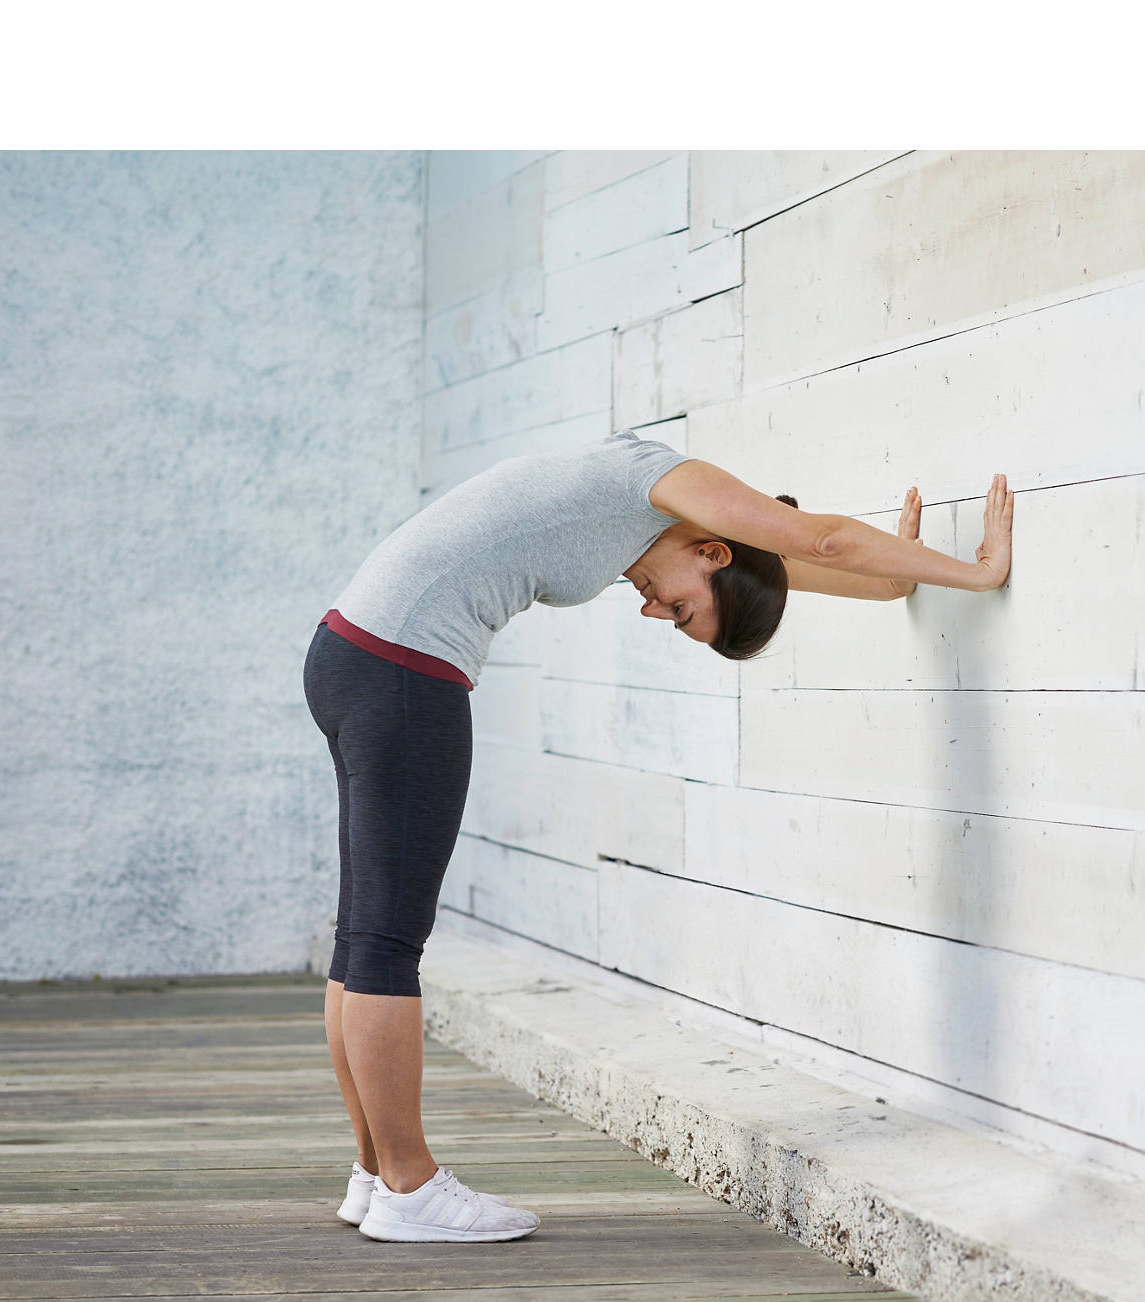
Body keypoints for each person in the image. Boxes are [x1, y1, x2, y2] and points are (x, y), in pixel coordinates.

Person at [301, 427, 1014, 1242]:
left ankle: (376, 1177)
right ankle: (409, 1187)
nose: (650, 608)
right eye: (680, 610)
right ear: (711, 551)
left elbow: (788, 559)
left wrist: (893, 579)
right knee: (387, 943)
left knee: (366, 939)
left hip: (352, 654)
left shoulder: (643, 521)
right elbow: (819, 538)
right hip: (400, 670)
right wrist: (979, 574)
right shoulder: (660, 486)